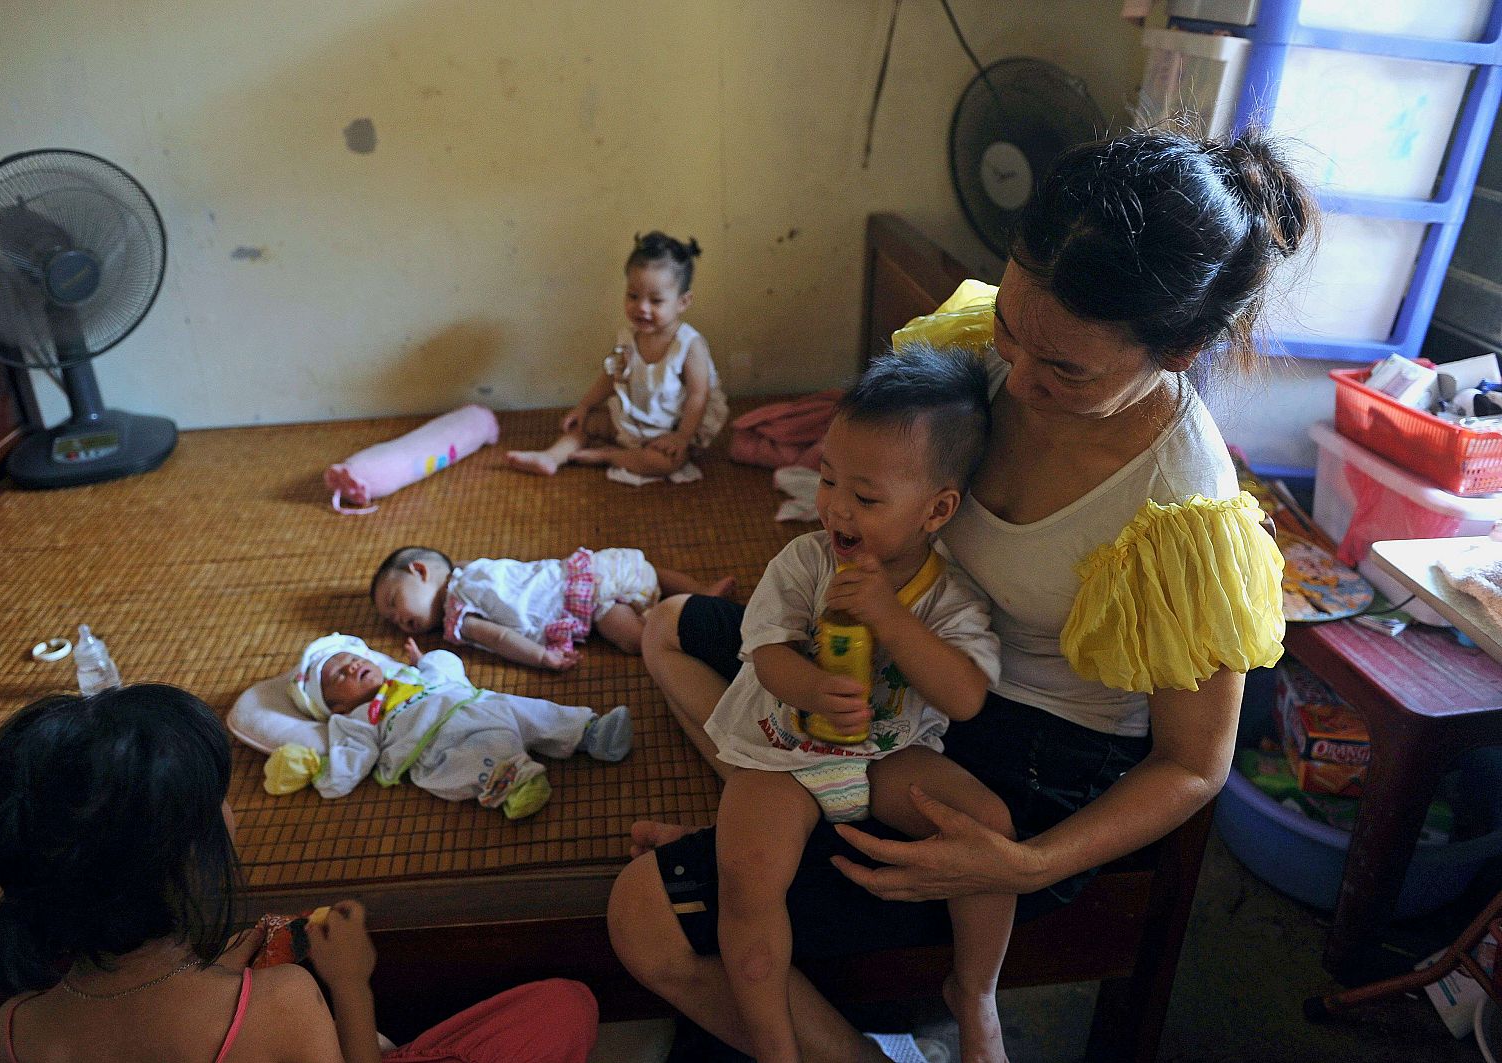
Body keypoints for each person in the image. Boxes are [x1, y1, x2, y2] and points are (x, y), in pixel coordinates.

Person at [608, 126, 1307, 1063]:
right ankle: (774, 795)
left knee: (647, 918)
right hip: (908, 660)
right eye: (1012, 329)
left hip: (1025, 763)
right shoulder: (980, 352)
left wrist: (1021, 864)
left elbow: (1193, 764)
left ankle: (901, 982)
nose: (1014, 379)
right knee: (668, 628)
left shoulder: (1182, 509)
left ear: (1178, 349)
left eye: (1065, 370)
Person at [0, 683, 600, 1063]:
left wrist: (217, 968)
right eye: (219, 798)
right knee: (565, 1006)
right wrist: (350, 983)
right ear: (187, 860)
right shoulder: (277, 1003)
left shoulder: (13, 1031)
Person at [704, 352, 1007, 1062]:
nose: (836, 507)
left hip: (886, 756)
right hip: (780, 752)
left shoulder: (951, 595)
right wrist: (809, 688)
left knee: (988, 825)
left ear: (938, 508)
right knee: (745, 873)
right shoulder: (806, 562)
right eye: (828, 479)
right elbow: (767, 650)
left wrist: (887, 615)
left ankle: (977, 995)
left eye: (865, 498)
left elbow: (964, 697)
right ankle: (774, 1045)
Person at [265, 633, 631, 819]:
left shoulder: (409, 676)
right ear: (337, 706)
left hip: (478, 703)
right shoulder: (355, 720)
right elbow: (354, 758)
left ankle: (591, 733)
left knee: (532, 710)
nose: (349, 667)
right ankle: (515, 783)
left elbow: (451, 676)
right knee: (481, 754)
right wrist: (320, 768)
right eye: (337, 675)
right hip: (438, 741)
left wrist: (427, 662)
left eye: (350, 658)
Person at [506, 231, 730, 484]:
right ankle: (551, 457)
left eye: (656, 301)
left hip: (668, 432)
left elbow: (698, 396)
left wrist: (682, 436)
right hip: (629, 420)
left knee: (665, 463)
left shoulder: (689, 345)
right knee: (583, 425)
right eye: (633, 296)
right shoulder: (628, 337)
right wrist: (584, 406)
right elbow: (610, 376)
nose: (642, 307)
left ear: (683, 302)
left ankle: (609, 456)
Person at [371, 543, 734, 667]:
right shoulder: (469, 570)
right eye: (392, 622)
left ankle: (689, 603)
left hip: (582, 600)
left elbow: (500, 639)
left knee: (641, 638)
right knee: (647, 573)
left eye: (394, 603)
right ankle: (700, 593)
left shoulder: (459, 615)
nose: (400, 620)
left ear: (419, 571)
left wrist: (542, 657)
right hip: (587, 572)